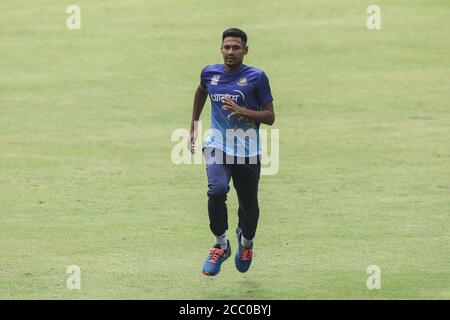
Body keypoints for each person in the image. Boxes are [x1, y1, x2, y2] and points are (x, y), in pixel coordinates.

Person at [189, 28, 275, 276]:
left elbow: (269, 117)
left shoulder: (257, 77)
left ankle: (245, 243)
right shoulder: (210, 73)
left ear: (245, 50)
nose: (230, 52)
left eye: (236, 47)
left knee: (249, 207)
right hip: (217, 143)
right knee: (216, 190)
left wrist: (244, 111)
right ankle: (220, 245)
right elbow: (201, 92)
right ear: (221, 49)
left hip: (247, 148)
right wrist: (193, 127)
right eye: (226, 47)